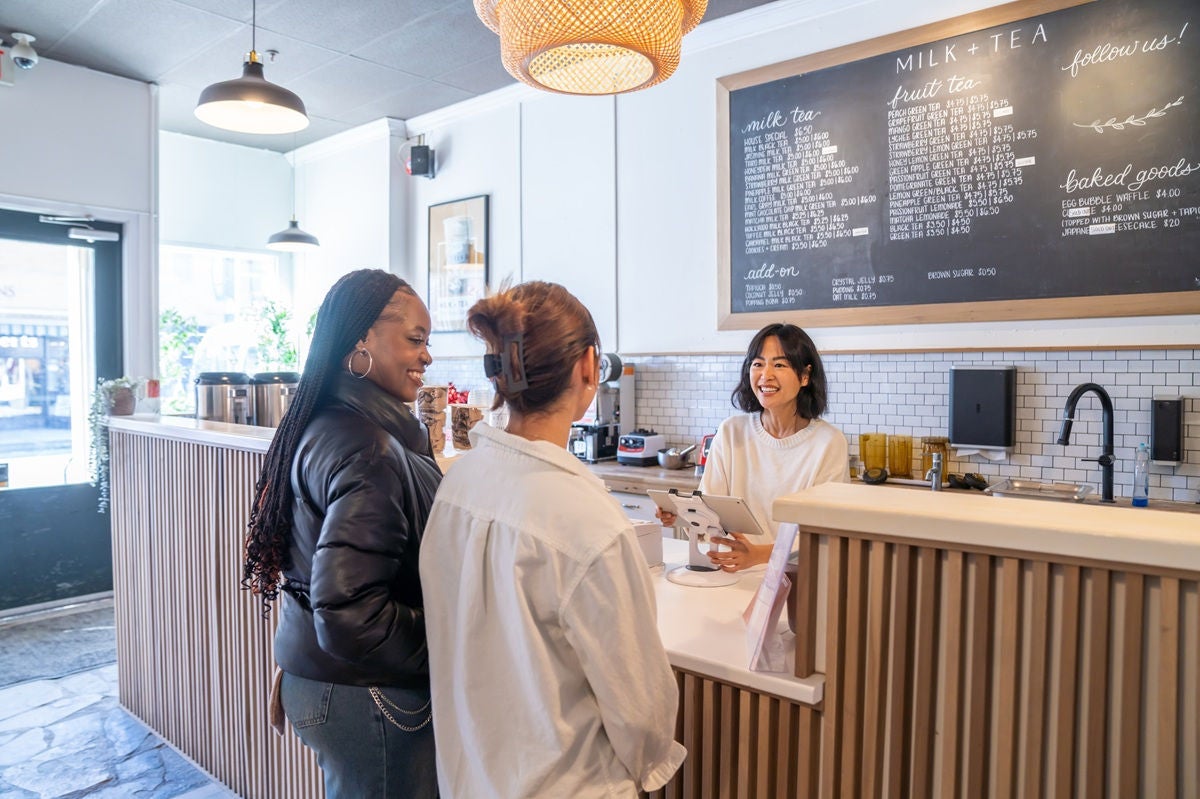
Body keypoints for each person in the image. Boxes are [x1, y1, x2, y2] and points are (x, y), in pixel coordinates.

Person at [419, 281, 686, 798]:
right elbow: (641, 713)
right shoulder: (589, 521)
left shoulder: (459, 484)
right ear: (589, 367)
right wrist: (650, 764)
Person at [243, 269, 440, 798]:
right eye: (415, 339)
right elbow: (352, 616)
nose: (426, 357)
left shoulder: (333, 423)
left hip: (330, 681)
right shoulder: (368, 447)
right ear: (362, 339)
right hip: (369, 695)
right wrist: (451, 640)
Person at [660, 322, 848, 571]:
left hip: (795, 578)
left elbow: (826, 534)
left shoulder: (829, 443)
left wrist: (759, 555)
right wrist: (682, 514)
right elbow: (710, 512)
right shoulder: (731, 432)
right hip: (732, 573)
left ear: (805, 376)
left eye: (779, 365)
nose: (765, 375)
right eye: (758, 364)